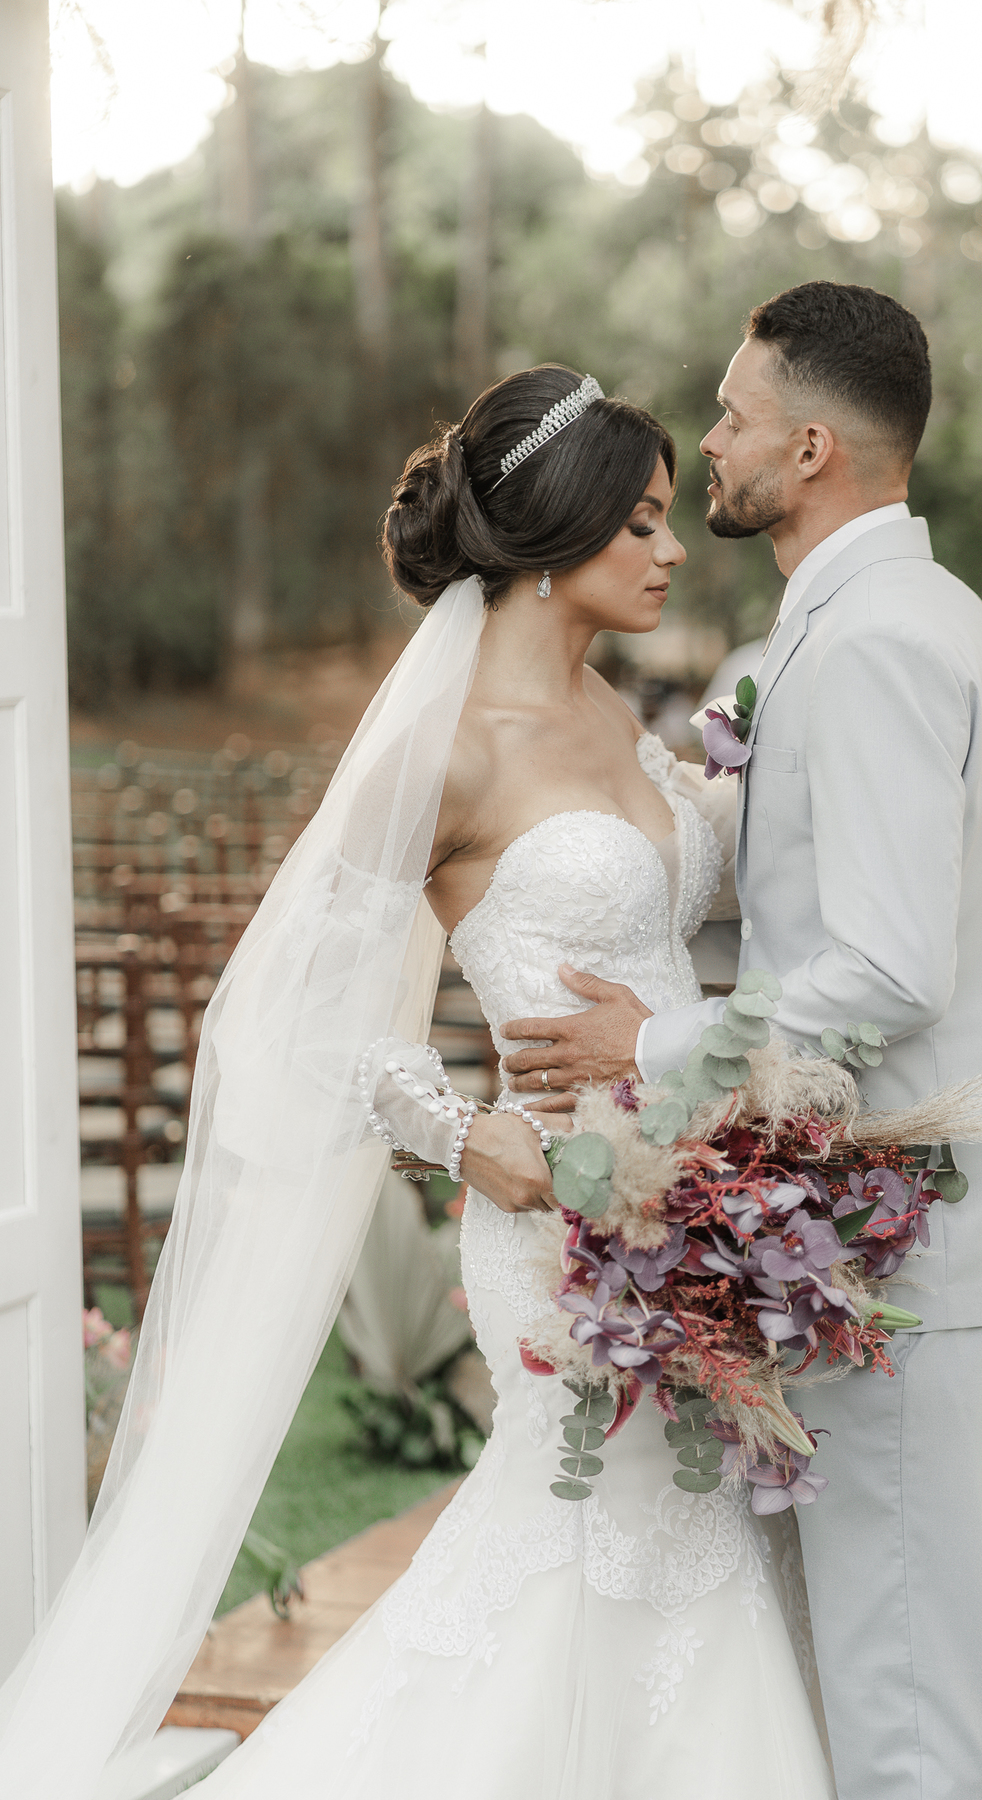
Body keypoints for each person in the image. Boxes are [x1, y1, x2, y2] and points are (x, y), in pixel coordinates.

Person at [0, 368, 832, 1800]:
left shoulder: (612, 711)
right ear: (554, 534)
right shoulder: (447, 752)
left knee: (698, 1537)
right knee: (584, 1534)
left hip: (700, 1205)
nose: (671, 550)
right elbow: (287, 1016)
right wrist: (466, 1136)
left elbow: (673, 904)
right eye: (638, 522)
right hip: (555, 1218)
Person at [500, 283, 982, 1800]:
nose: (710, 443)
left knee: (903, 1706)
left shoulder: (876, 639)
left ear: (811, 448)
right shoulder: (886, 618)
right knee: (890, 1675)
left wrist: (659, 1044)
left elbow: (886, 964)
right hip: (868, 1248)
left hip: (911, 1259)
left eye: (733, 416)